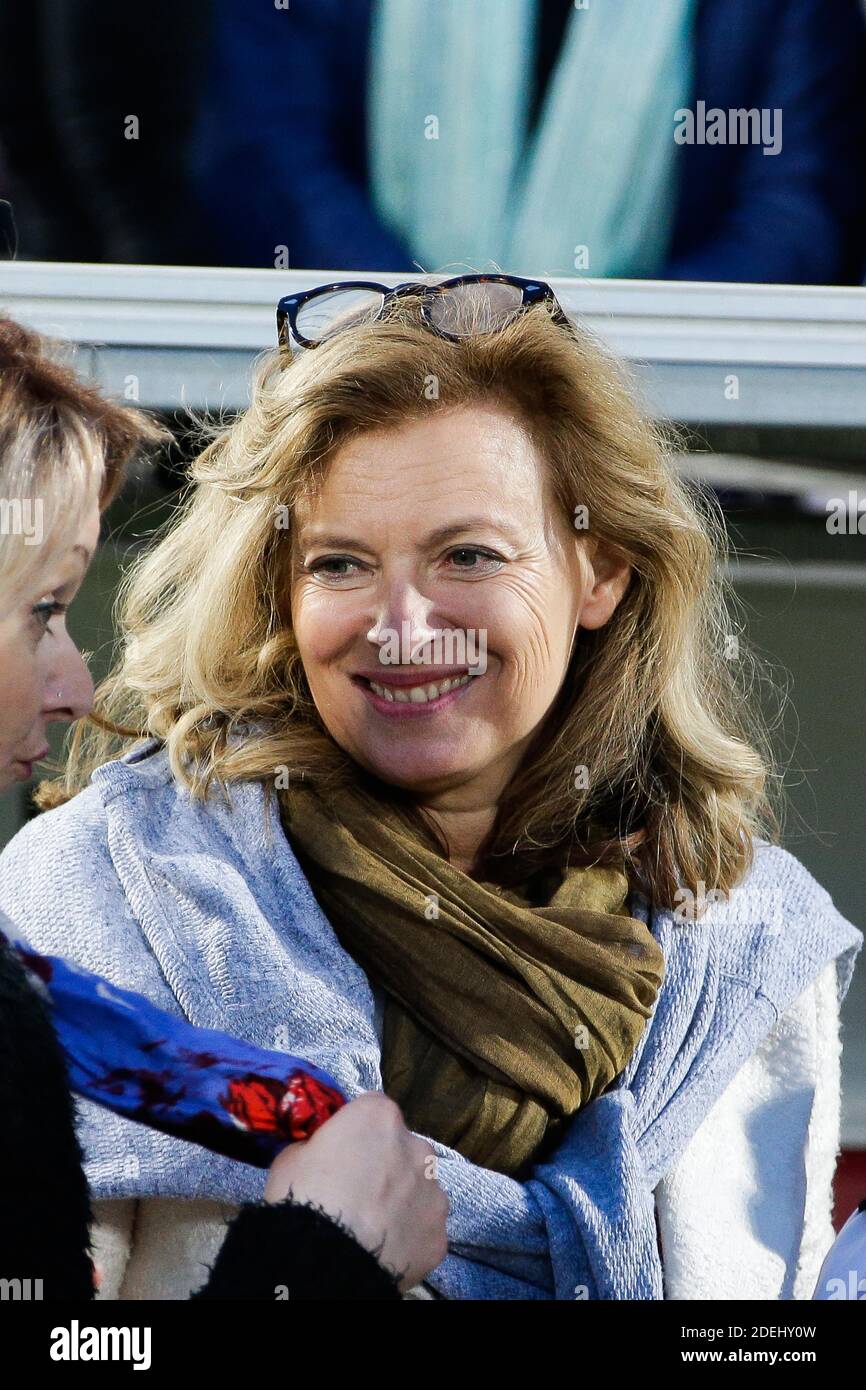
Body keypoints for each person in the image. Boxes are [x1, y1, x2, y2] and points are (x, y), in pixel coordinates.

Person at [1, 275, 861, 1300]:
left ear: (603, 572)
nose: (402, 628)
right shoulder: (98, 894)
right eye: (340, 564)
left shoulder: (750, 941)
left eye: (466, 554)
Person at [0, 313, 448, 1299]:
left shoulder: (728, 921)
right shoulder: (72, 899)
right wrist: (319, 1259)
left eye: (468, 554)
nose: (76, 684)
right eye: (40, 608)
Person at [190, 0, 866, 284]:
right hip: (356, 391)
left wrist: (580, 353)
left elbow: (797, 208)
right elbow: (269, 161)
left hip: (669, 446)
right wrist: (427, 322)